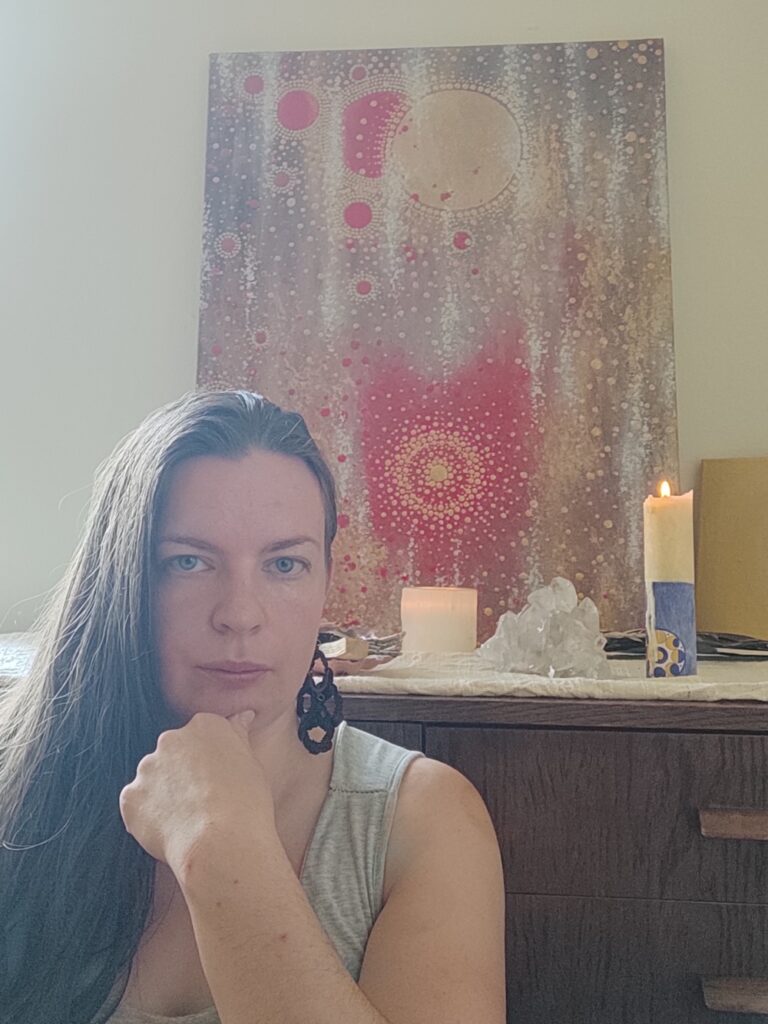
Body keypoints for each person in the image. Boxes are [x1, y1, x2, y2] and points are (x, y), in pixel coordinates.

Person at [0, 389, 506, 1024]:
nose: (240, 613)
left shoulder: (419, 819)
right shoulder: (17, 788)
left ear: (325, 581)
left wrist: (220, 846)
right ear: (121, 582)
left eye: (285, 564)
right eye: (188, 562)